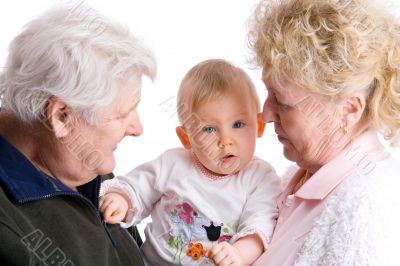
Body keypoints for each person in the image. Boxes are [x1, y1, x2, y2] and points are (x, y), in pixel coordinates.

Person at [0, 4, 156, 266]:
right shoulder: (9, 229)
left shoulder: (76, 157)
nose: (137, 129)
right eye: (121, 115)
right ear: (61, 117)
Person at [246, 0, 400, 265]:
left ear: (349, 109)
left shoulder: (368, 211)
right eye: (268, 93)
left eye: (282, 102)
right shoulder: (298, 178)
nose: (266, 114)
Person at [99, 59, 281, 266]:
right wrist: (121, 199)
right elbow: (139, 186)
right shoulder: (173, 164)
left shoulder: (260, 178)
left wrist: (239, 254)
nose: (225, 141)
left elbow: (260, 225)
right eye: (209, 129)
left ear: (259, 125)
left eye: (238, 124)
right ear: (187, 138)